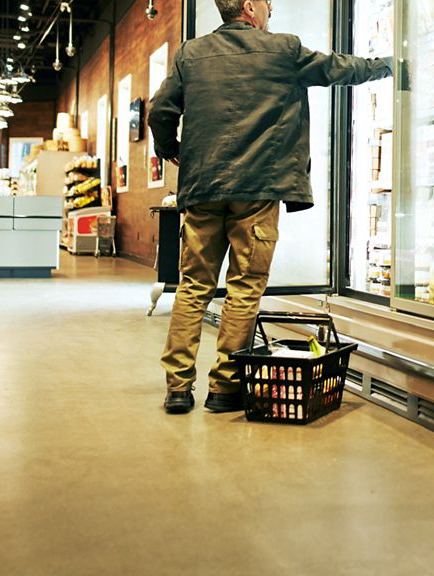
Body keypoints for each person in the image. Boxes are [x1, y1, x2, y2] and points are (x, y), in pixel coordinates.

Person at [148, 0, 391, 414]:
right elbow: (341, 69)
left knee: (193, 287)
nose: (271, 9)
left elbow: (160, 110)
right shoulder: (284, 50)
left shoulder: (191, 53)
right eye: (267, 3)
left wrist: (170, 148)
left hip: (202, 187)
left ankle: (177, 388)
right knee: (244, 287)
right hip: (257, 190)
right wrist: (391, 65)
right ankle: (225, 388)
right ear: (248, 7)